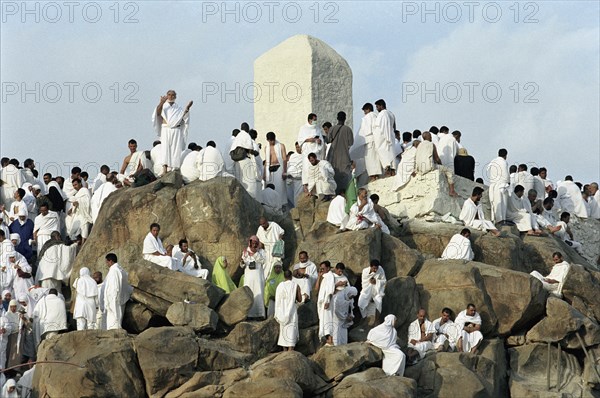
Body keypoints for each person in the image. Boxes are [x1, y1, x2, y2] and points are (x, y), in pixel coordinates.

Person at [152, 90, 193, 176]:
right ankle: (164, 168)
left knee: (175, 148)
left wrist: (187, 109)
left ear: (175, 97)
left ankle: (175, 167)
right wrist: (161, 102)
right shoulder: (163, 106)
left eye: (173, 95)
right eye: (169, 95)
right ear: (167, 96)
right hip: (166, 128)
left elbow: (183, 118)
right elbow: (157, 113)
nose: (171, 97)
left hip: (176, 129)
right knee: (165, 148)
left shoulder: (178, 108)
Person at [415, 132, 457, 196]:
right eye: (430, 137)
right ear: (427, 137)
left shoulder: (419, 145)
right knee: (449, 171)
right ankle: (452, 191)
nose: (431, 138)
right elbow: (437, 158)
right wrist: (441, 165)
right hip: (428, 167)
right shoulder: (431, 144)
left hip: (419, 168)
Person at [230, 123, 262, 201]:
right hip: (245, 161)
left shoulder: (237, 137)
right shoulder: (246, 136)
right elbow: (249, 149)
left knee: (241, 180)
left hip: (238, 162)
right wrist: (256, 152)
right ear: (247, 129)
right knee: (250, 181)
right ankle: (251, 198)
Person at [324, 111, 354, 190]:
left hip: (333, 156)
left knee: (333, 175)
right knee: (345, 177)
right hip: (344, 156)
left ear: (337, 118)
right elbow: (350, 143)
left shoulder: (332, 129)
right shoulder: (348, 129)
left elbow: (328, 140)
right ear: (345, 118)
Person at [103, 253, 132, 330]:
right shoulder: (121, 270)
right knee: (118, 317)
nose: (106, 264)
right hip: (121, 298)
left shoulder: (114, 271)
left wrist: (111, 300)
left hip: (114, 299)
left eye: (107, 262)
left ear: (110, 261)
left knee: (114, 319)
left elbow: (114, 287)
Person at [275, 270, 302, 351]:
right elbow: (300, 299)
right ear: (291, 276)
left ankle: (284, 350)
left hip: (282, 312)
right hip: (292, 311)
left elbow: (278, 300)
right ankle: (291, 349)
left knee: (283, 330)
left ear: (284, 276)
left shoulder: (279, 286)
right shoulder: (295, 285)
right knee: (291, 330)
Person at [241, 236, 266, 319]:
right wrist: (242, 263)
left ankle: (260, 314)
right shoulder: (245, 252)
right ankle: (249, 314)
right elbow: (242, 265)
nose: (254, 244)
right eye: (253, 243)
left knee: (259, 293)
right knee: (249, 293)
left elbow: (263, 261)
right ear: (250, 242)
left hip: (258, 277)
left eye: (256, 243)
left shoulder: (261, 251)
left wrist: (255, 253)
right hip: (249, 277)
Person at [298, 113, 325, 189]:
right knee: (307, 168)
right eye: (314, 120)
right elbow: (300, 140)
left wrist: (319, 141)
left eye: (316, 120)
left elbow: (321, 140)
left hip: (316, 151)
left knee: (316, 169)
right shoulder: (303, 128)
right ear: (310, 120)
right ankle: (307, 186)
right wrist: (312, 139)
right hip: (307, 152)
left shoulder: (317, 129)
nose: (315, 121)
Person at [358, 103, 382, 180]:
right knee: (376, 158)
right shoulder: (376, 116)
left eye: (365, 110)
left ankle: (372, 176)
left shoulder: (366, 118)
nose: (364, 112)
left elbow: (365, 131)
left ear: (368, 109)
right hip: (376, 140)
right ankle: (377, 175)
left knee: (370, 159)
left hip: (369, 140)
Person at [264, 132, 288, 209]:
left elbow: (284, 159)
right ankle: (272, 206)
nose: (272, 142)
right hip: (270, 170)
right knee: (271, 189)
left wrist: (284, 171)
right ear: (268, 140)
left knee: (280, 189)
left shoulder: (281, 146)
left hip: (279, 168)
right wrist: (264, 173)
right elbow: (266, 161)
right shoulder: (266, 148)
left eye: (273, 140)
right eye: (270, 141)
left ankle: (281, 206)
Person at [373, 99, 397, 176]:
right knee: (391, 153)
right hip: (391, 136)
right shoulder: (391, 114)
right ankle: (392, 170)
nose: (376, 109)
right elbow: (394, 127)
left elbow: (382, 126)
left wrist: (385, 136)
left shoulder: (383, 114)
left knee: (384, 153)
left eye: (377, 107)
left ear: (381, 106)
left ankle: (388, 170)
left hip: (384, 137)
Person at [65, 178, 93, 243]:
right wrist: (71, 209)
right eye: (73, 185)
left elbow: (87, 202)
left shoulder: (85, 190)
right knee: (73, 229)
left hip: (84, 214)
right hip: (78, 214)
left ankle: (83, 245)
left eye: (76, 184)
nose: (75, 186)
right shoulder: (77, 193)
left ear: (80, 183)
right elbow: (76, 203)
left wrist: (79, 202)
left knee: (84, 231)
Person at [486, 149, 510, 223]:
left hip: (493, 186)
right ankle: (501, 220)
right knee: (502, 205)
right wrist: (508, 182)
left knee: (496, 204)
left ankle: (496, 220)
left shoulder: (493, 161)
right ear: (506, 155)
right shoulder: (503, 162)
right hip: (501, 185)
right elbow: (506, 175)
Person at [315, 261, 336, 346]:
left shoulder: (330, 276)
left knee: (327, 320)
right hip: (322, 303)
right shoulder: (323, 277)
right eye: (321, 269)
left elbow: (330, 290)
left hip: (327, 302)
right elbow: (316, 289)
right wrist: (319, 277)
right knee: (323, 321)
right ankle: (328, 340)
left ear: (328, 268)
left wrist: (327, 301)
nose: (322, 270)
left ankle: (330, 340)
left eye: (323, 269)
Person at [286, 143, 304, 207]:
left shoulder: (305, 155)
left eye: (299, 147)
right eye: (296, 147)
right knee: (290, 195)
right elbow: (290, 165)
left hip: (300, 179)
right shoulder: (293, 156)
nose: (298, 149)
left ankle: (297, 209)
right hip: (290, 178)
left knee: (298, 195)